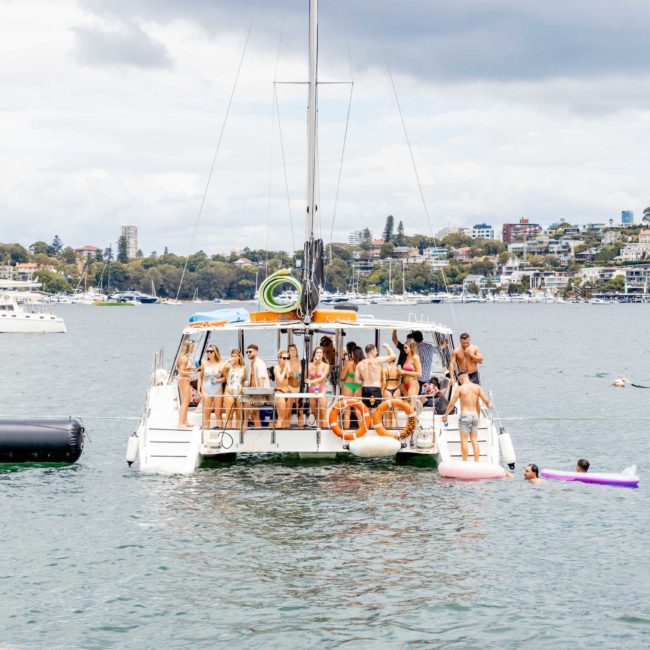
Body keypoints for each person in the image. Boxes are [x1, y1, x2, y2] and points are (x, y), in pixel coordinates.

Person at [443, 372, 493, 462]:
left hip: (465, 416)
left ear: (461, 379)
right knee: (474, 440)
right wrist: (489, 405)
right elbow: (486, 401)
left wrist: (445, 414)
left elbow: (451, 403)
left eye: (459, 380)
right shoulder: (477, 387)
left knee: (464, 441)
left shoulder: (460, 389)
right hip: (475, 416)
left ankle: (465, 463)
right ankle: (476, 462)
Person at [355, 342, 396, 410]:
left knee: (366, 411)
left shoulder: (360, 364)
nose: (377, 352)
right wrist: (387, 347)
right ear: (372, 351)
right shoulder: (377, 360)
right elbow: (393, 356)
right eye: (376, 350)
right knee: (376, 411)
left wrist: (365, 382)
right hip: (375, 388)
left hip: (365, 388)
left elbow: (356, 380)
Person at [198, 345, 225, 428]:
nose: (208, 353)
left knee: (218, 414)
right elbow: (200, 377)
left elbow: (225, 378)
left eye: (211, 351)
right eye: (207, 351)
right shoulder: (204, 363)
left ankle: (220, 433)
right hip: (206, 389)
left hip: (218, 389)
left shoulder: (221, 364)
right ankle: (206, 433)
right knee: (206, 414)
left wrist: (218, 380)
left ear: (215, 352)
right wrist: (198, 391)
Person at [245, 344, 269, 428]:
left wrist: (261, 395)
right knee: (254, 414)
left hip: (259, 392)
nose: (248, 353)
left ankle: (246, 425)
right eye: (247, 352)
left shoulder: (260, 363)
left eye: (250, 352)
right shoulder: (250, 363)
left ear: (256, 352)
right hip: (252, 392)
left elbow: (261, 380)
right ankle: (257, 430)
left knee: (254, 412)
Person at [340, 346, 364, 430]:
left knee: (347, 413)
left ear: (353, 354)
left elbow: (342, 377)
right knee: (358, 412)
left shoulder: (349, 363)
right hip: (358, 387)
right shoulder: (363, 364)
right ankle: (362, 432)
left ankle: (346, 434)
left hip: (348, 386)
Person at [223, 349, 246, 429]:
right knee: (229, 416)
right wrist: (227, 361)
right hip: (229, 391)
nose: (233, 357)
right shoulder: (228, 367)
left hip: (239, 392)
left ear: (239, 357)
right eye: (232, 356)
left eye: (235, 356)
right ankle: (228, 434)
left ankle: (238, 435)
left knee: (239, 417)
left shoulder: (243, 368)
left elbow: (242, 380)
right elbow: (220, 370)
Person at [306, 346, 330, 427]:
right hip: (312, 389)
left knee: (323, 414)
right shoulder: (310, 364)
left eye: (320, 352)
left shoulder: (326, 365)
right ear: (314, 354)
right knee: (315, 413)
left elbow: (322, 377)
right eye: (317, 352)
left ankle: (325, 431)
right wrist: (315, 364)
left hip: (321, 388)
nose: (318, 354)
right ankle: (318, 430)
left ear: (323, 355)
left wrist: (311, 381)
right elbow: (308, 375)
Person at [176, 339, 196, 427]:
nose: (194, 348)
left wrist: (191, 370)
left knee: (186, 402)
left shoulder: (185, 357)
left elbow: (185, 370)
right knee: (185, 402)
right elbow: (181, 372)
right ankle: (181, 422)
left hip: (185, 379)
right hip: (184, 380)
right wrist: (192, 373)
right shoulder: (184, 359)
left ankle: (185, 421)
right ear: (189, 347)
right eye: (192, 346)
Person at [286, 343, 305, 428]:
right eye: (291, 350)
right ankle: (286, 428)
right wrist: (288, 374)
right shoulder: (287, 362)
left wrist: (298, 376)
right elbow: (284, 377)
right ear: (288, 352)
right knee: (288, 410)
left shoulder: (301, 362)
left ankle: (301, 428)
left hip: (299, 388)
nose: (293, 351)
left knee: (300, 411)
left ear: (297, 351)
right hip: (289, 387)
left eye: (294, 350)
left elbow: (303, 376)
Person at [381, 357, 402, 428]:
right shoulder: (397, 369)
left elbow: (384, 382)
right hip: (396, 390)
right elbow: (400, 381)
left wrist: (381, 392)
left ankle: (388, 436)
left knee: (387, 416)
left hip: (387, 390)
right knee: (394, 417)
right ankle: (393, 435)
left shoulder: (385, 369)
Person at [273, 349, 292, 428]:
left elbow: (290, 378)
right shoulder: (276, 367)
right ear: (279, 358)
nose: (286, 360)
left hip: (288, 392)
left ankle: (286, 437)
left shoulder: (287, 367)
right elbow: (280, 379)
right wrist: (285, 368)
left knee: (287, 417)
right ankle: (277, 435)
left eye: (288, 358)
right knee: (281, 417)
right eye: (284, 358)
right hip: (280, 392)